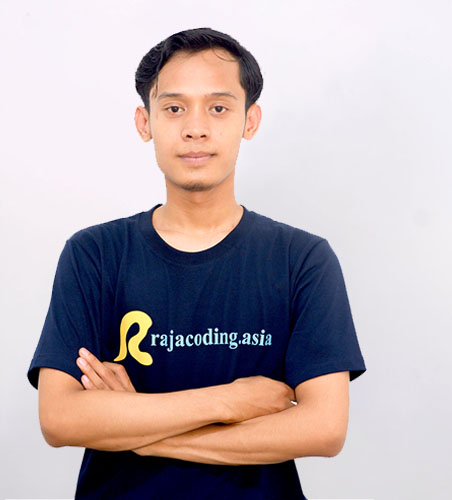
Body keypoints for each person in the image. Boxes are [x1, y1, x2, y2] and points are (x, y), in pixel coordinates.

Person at [27, 27, 367, 500]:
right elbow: (60, 418)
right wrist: (230, 401)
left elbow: (324, 429)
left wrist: (141, 432)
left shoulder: (302, 260)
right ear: (144, 122)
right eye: (174, 108)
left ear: (250, 120)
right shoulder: (95, 255)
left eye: (219, 108)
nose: (195, 128)